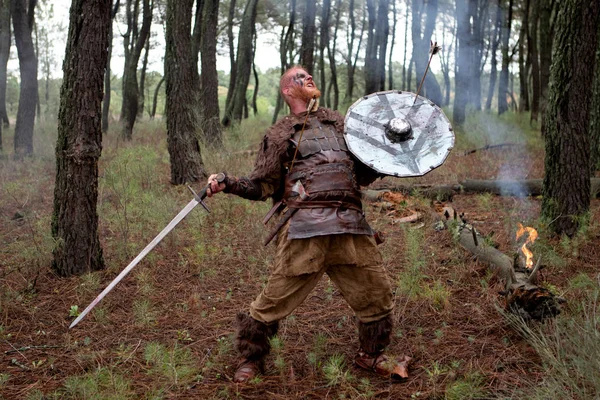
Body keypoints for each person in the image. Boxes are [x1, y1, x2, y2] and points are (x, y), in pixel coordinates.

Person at [206, 66, 408, 383]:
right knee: (272, 299)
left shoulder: (343, 126)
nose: (308, 79)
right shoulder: (279, 135)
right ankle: (252, 358)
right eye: (300, 78)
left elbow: (364, 174)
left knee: (376, 293)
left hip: (350, 227)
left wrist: (392, 149)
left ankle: (370, 354)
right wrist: (228, 183)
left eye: (309, 76)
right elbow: (262, 186)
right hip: (304, 231)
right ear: (288, 91)